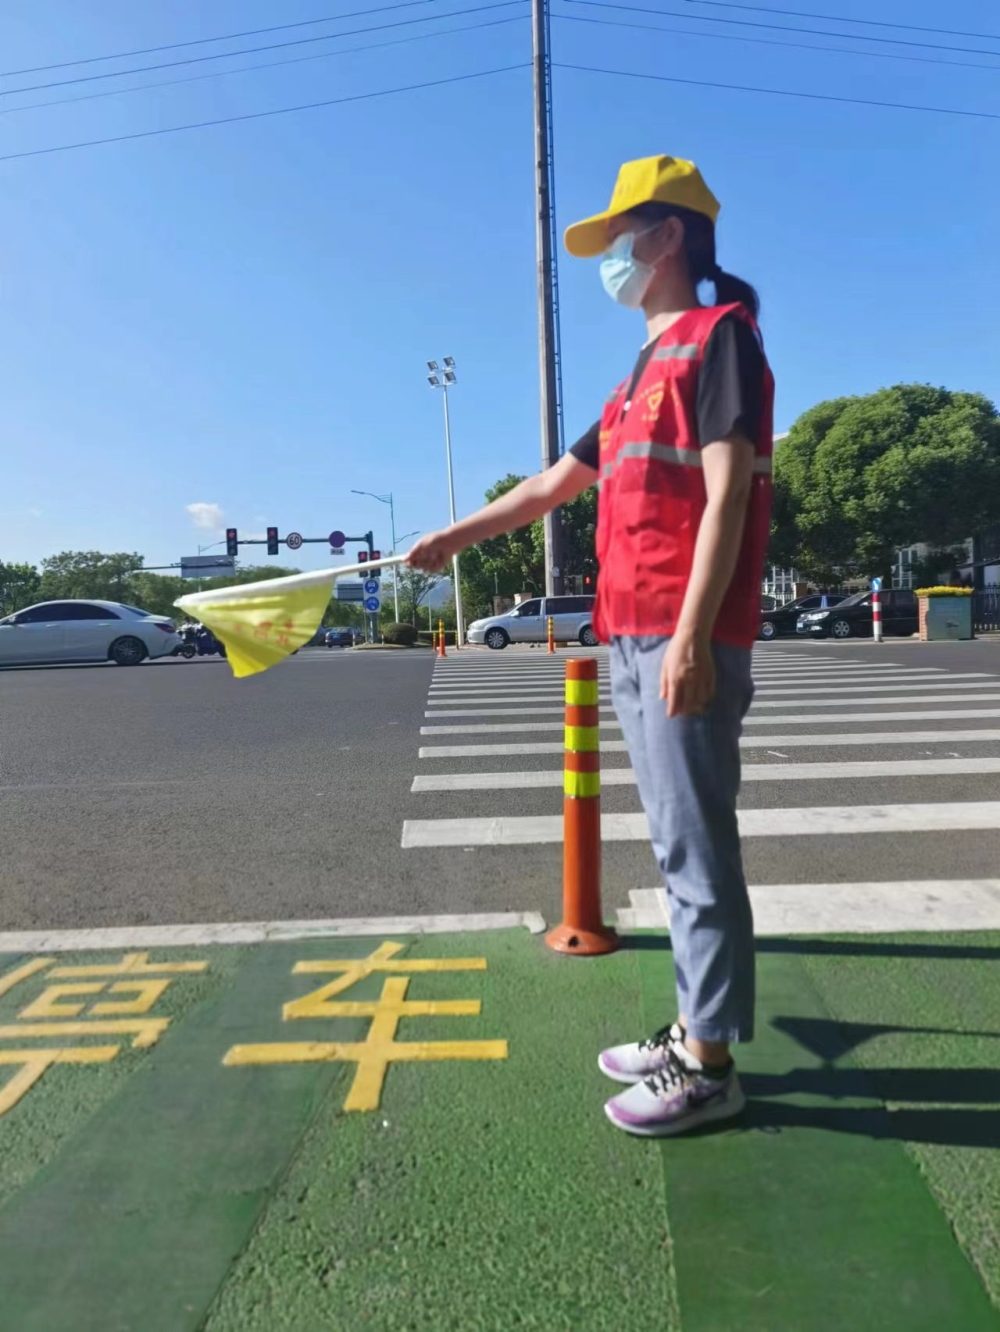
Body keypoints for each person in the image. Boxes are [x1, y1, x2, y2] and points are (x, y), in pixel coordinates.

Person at [408, 154, 774, 1138]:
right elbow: (547, 489)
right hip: (631, 633)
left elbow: (728, 494)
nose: (610, 257)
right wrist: (451, 537)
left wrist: (692, 637)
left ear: (669, 237)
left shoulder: (717, 340)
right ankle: (695, 1028)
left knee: (695, 848)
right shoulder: (632, 383)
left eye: (620, 237)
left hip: (681, 633)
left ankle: (710, 1067)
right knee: (673, 840)